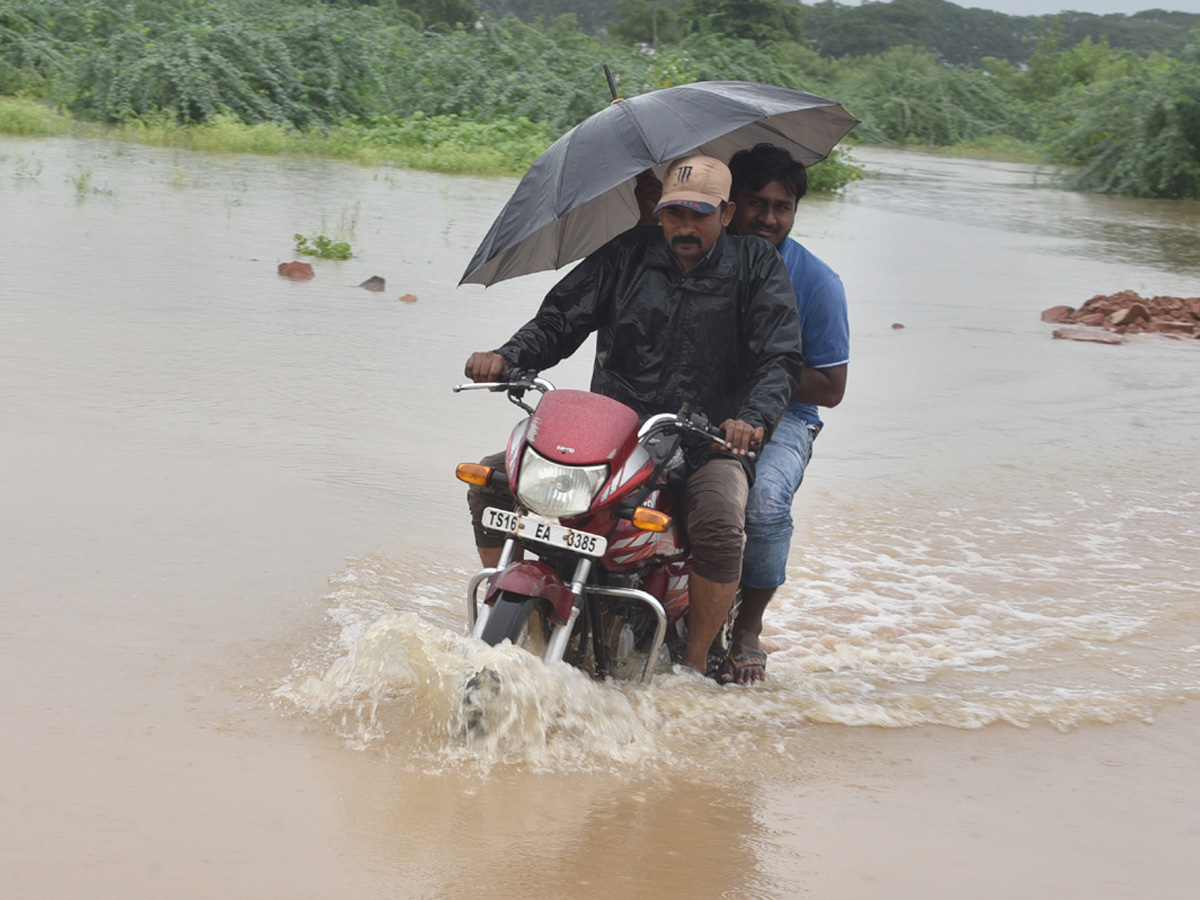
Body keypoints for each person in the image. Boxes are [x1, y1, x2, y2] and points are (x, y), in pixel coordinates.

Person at [464, 155, 804, 675]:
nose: (685, 227)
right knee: (492, 481)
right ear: (660, 212)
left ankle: (691, 670)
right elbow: (559, 320)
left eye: (700, 214)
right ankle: (515, 614)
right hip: (616, 436)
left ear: (727, 213)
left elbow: (778, 357)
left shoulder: (757, 265)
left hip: (705, 439)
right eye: (674, 214)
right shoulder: (626, 254)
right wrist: (509, 356)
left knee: (718, 523)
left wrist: (751, 419)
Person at [719, 142, 850, 684]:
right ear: (730, 203)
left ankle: (748, 628)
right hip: (702, 402)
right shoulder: (697, 254)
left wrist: (764, 363)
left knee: (767, 504)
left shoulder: (818, 283)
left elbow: (832, 386)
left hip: (788, 416)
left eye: (783, 206)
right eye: (756, 202)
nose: (769, 218)